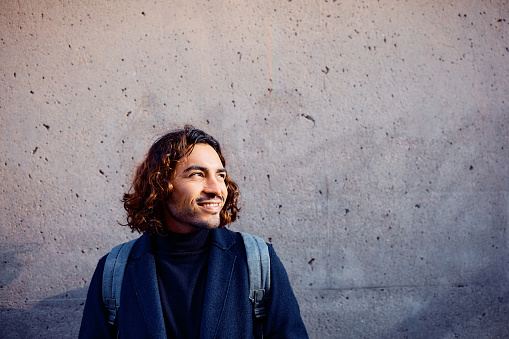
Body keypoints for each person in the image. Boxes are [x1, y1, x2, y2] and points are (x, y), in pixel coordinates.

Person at [79, 125, 308, 338]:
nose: (217, 189)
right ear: (161, 184)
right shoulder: (114, 270)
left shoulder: (258, 261)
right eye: (197, 174)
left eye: (220, 175)